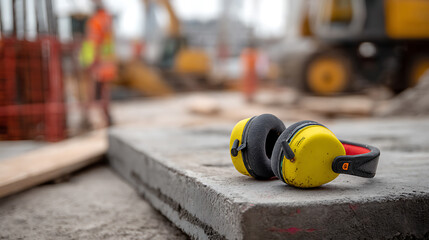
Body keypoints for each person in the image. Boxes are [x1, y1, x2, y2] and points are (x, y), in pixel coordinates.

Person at [79, 1, 116, 127]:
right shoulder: (107, 19)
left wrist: (87, 61)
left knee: (90, 92)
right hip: (107, 62)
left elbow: (92, 42)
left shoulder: (95, 21)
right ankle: (107, 117)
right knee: (104, 92)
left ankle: (86, 119)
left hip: (97, 63)